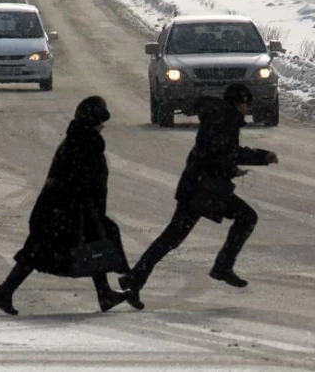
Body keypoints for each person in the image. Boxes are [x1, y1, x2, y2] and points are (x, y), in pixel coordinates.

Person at [119, 84, 279, 309]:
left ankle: (133, 279)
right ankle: (222, 266)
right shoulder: (225, 119)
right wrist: (261, 157)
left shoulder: (219, 116)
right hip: (204, 189)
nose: (248, 109)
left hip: (197, 186)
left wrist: (231, 169)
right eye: (246, 104)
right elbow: (223, 153)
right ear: (238, 102)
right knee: (247, 218)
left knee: (171, 239)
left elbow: (215, 153)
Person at [0, 96, 141, 315]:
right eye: (101, 121)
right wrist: (88, 208)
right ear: (94, 121)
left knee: (83, 244)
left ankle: (104, 293)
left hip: (62, 209)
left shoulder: (78, 139)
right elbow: (85, 181)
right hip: (67, 211)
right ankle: (5, 290)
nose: (103, 126)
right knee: (53, 249)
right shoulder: (86, 143)